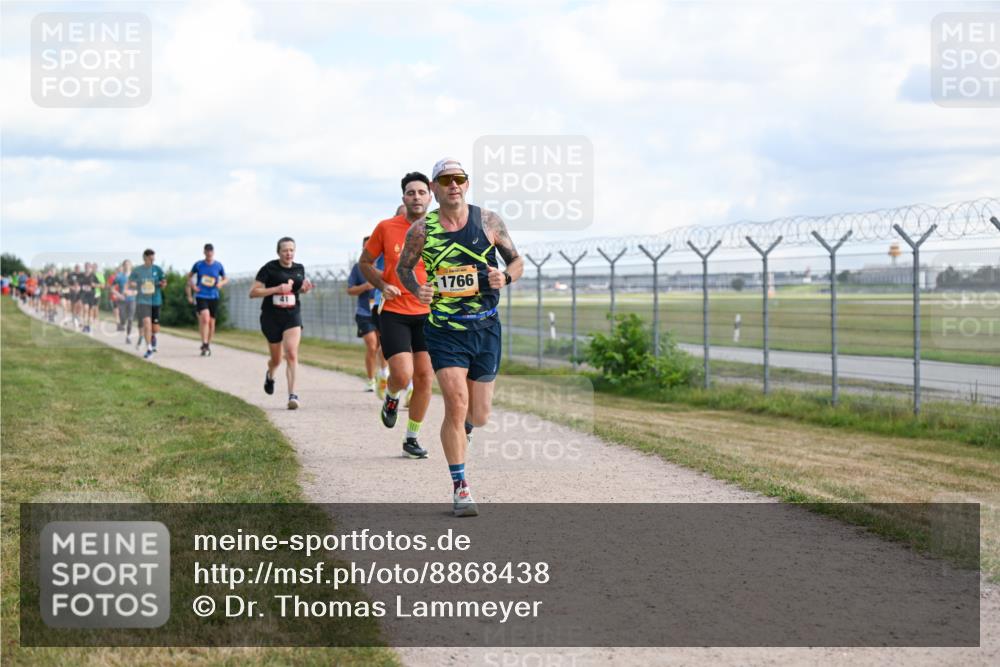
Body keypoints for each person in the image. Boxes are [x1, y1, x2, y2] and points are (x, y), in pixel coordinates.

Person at [397, 158, 523, 517]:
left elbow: (516, 261)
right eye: (445, 180)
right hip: (445, 331)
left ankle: (466, 428)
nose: (453, 184)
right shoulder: (421, 231)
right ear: (434, 188)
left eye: (460, 179)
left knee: (479, 415)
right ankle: (461, 486)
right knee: (455, 401)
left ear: (467, 185)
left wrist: (506, 278)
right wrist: (417, 288)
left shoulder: (489, 221)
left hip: (485, 326)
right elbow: (404, 268)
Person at [360, 172, 434, 459]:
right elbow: (365, 262)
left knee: (426, 377)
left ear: (430, 196)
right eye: (411, 193)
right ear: (403, 197)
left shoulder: (441, 229)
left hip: (429, 314)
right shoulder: (386, 227)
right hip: (395, 312)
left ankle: (411, 438)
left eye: (421, 192)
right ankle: (391, 397)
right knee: (403, 375)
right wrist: (382, 284)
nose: (416, 197)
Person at [249, 237, 313, 409]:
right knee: (276, 360)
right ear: (278, 252)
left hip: (292, 315)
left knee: (291, 353)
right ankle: (270, 374)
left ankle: (293, 395)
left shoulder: (299, 268)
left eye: (291, 250)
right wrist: (276, 289)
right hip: (271, 317)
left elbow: (297, 289)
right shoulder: (269, 268)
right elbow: (253, 292)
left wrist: (304, 290)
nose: (288, 253)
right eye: (285, 250)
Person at [347, 239, 381, 393]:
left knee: (384, 346)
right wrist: (365, 286)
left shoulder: (383, 265)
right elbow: (350, 290)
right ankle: (370, 379)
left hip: (382, 310)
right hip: (364, 312)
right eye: (365, 247)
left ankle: (383, 374)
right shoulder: (358, 268)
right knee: (372, 345)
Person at [186, 243, 228, 356]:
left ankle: (208, 344)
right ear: (204, 252)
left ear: (213, 252)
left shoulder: (218, 265)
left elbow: (225, 279)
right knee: (205, 318)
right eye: (207, 251)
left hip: (213, 296)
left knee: (211, 323)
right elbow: (189, 276)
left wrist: (221, 283)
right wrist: (194, 287)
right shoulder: (199, 265)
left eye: (211, 251)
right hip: (201, 296)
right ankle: (204, 343)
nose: (209, 253)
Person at [128, 249, 167, 359]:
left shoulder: (157, 269)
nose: (152, 261)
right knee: (146, 323)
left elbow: (164, 282)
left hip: (156, 300)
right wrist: (138, 284)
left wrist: (162, 283)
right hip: (142, 301)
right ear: (145, 258)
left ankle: (153, 336)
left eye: (153, 259)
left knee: (155, 328)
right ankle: (149, 348)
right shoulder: (138, 270)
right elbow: (131, 283)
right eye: (150, 259)